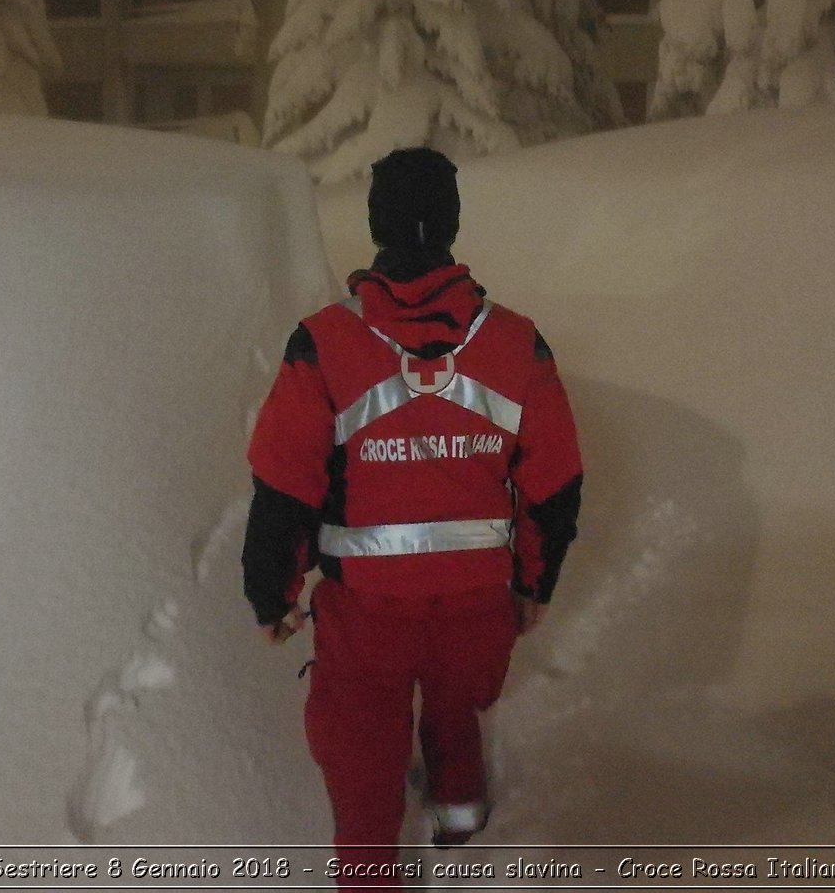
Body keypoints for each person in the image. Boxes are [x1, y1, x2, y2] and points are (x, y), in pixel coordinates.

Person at [243, 147, 583, 890]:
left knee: (363, 761)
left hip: (365, 613)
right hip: (478, 604)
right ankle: (462, 826)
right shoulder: (516, 342)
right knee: (458, 712)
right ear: (452, 227)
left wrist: (273, 594)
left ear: (376, 225)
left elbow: (282, 487)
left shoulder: (324, 343)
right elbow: (555, 485)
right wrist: (534, 585)